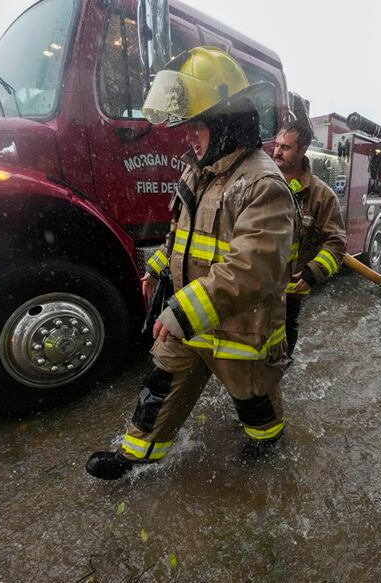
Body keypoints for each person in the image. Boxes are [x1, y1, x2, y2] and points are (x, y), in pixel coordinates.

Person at [86, 47, 296, 480]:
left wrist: (182, 310)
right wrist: (158, 265)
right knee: (159, 387)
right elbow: (181, 238)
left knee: (254, 404)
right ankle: (134, 458)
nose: (189, 138)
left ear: (225, 123)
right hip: (189, 319)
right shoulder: (195, 173)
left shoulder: (263, 183)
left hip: (242, 330)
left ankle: (267, 448)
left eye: (196, 127)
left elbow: (252, 269)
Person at [272, 121, 347, 357]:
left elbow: (336, 244)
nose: (276, 151)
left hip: (289, 287)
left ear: (302, 150)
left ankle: (281, 370)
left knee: (285, 332)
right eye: (276, 145)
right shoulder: (261, 182)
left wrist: (313, 273)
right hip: (256, 284)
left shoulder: (322, 196)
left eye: (285, 147)